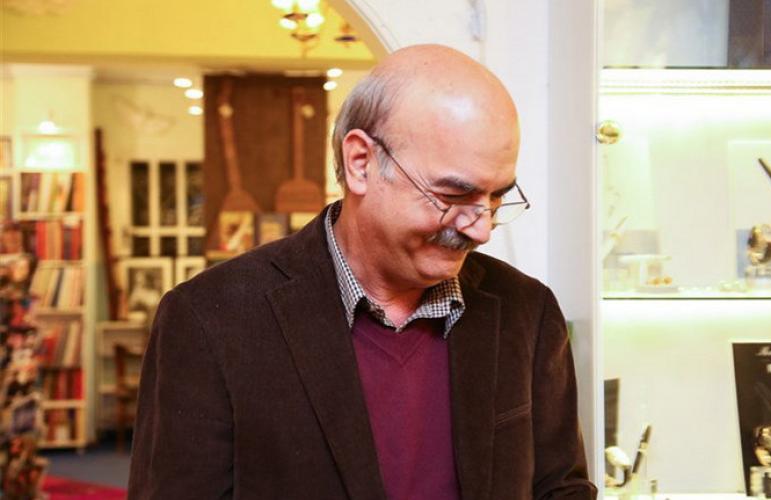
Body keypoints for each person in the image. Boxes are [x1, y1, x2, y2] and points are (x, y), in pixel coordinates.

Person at [129, 44, 597, 499]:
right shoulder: (210, 318)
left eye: (495, 198)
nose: (481, 230)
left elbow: (560, 488)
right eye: (453, 196)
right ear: (361, 163)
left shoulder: (526, 310)